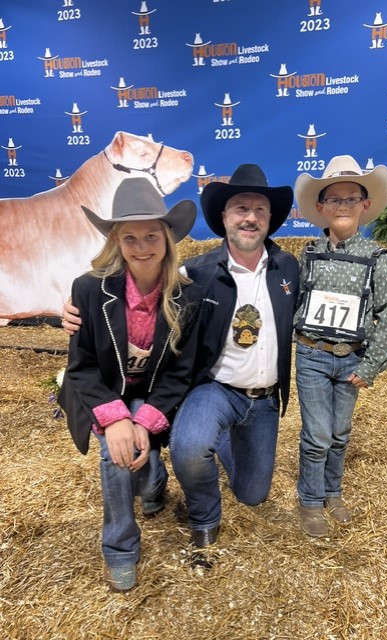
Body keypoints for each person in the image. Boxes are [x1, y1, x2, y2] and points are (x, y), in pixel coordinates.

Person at [62, 163, 299, 551]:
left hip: (263, 394)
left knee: (253, 494)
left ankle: (219, 445)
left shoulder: (289, 267)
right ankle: (200, 518)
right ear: (223, 216)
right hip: (214, 388)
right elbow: (110, 303)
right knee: (183, 451)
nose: (250, 217)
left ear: (271, 218)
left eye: (260, 209)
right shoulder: (197, 273)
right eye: (241, 208)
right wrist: (70, 310)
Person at [58, 177, 202, 591]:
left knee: (146, 456)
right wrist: (116, 419)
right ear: (116, 242)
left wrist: (145, 421)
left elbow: (181, 371)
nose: (142, 247)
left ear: (168, 238)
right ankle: (120, 547)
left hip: (155, 394)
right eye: (130, 238)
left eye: (151, 236)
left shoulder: (186, 295)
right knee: (117, 454)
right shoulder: (88, 290)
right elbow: (81, 366)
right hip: (107, 394)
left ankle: (154, 483)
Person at [293, 155, 387, 537]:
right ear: (320, 208)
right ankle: (309, 499)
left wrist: (370, 366)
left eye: (350, 199)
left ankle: (332, 493)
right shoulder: (308, 254)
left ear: (364, 205)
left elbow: (386, 315)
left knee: (339, 433)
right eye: (334, 200)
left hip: (350, 359)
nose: (342, 206)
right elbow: (295, 301)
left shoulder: (377, 259)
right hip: (312, 355)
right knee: (318, 434)